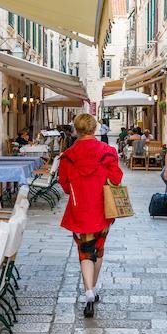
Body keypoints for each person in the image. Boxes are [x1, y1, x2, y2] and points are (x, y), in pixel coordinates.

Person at [59, 113, 123, 318]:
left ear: (76, 130)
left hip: (79, 208)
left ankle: (88, 291)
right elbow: (116, 178)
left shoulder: (68, 155)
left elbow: (65, 186)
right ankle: (92, 289)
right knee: (99, 249)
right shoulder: (107, 151)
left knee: (85, 251)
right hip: (102, 208)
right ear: (95, 129)